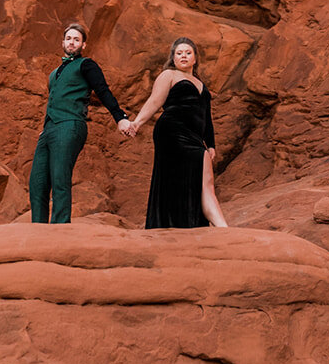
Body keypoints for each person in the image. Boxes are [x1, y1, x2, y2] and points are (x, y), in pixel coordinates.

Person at [29, 21, 134, 223]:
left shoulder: (86, 65)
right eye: (69, 39)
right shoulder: (54, 73)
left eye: (77, 40)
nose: (72, 42)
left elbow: (103, 91)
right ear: (63, 42)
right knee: (37, 182)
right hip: (50, 128)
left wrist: (120, 118)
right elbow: (53, 101)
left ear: (83, 45)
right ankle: (39, 229)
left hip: (70, 124)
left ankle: (60, 228)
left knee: (60, 177)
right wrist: (44, 129)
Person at [130, 36, 227, 228]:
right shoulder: (169, 75)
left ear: (195, 58)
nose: (183, 56)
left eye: (188, 53)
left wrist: (211, 144)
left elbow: (206, 116)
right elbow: (155, 101)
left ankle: (210, 227)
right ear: (173, 58)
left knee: (203, 181)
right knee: (193, 177)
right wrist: (137, 123)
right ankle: (221, 228)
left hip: (194, 137)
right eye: (179, 53)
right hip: (172, 132)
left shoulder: (200, 83)